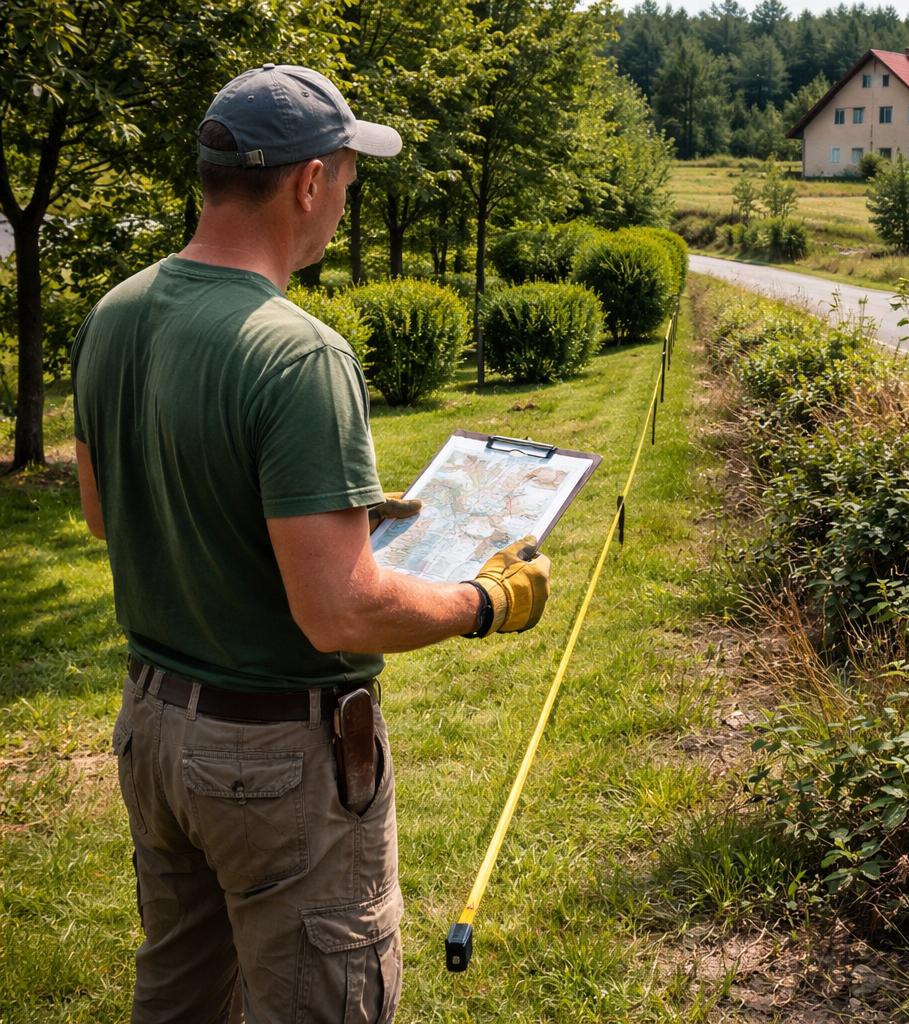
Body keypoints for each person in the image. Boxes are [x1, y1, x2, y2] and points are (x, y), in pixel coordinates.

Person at [71, 64, 551, 1022]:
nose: (346, 195)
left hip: (154, 728)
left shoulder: (115, 313)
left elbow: (104, 509)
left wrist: (326, 518)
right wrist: (488, 602)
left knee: (180, 996)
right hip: (271, 759)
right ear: (306, 182)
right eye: (346, 174)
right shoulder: (300, 354)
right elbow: (339, 611)